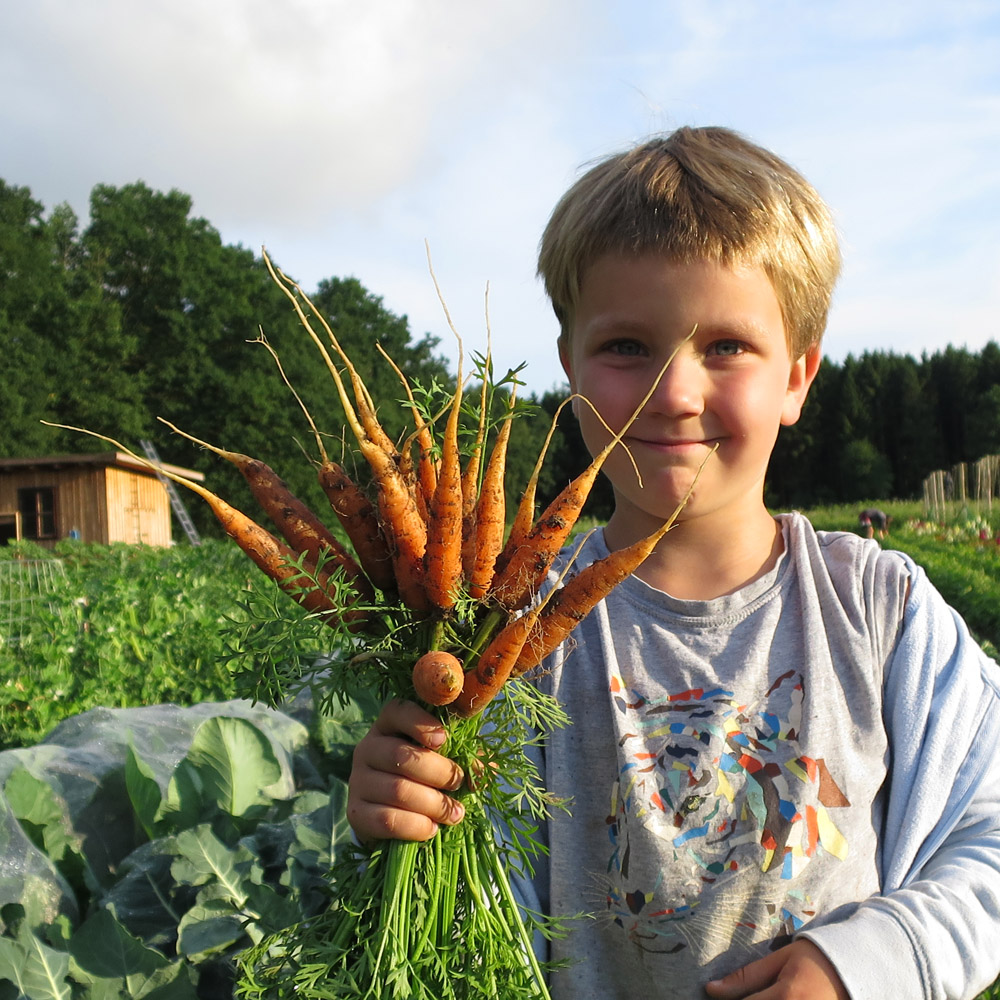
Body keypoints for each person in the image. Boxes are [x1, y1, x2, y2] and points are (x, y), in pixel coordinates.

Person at [347, 127, 1000, 999]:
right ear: (570, 368)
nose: (675, 392)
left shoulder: (877, 609)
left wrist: (864, 964)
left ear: (798, 378)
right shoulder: (501, 631)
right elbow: (472, 890)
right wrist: (402, 811)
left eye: (726, 346)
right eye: (626, 348)